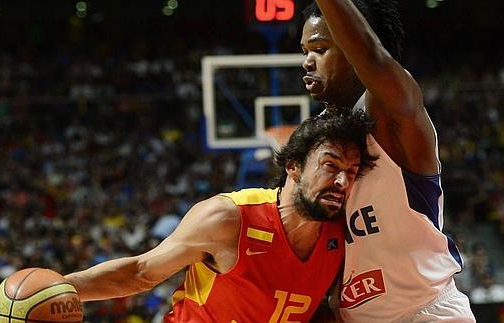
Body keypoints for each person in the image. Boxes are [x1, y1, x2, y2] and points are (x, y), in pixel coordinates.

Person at [65, 111, 376, 322]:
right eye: (331, 166)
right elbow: (140, 272)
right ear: (292, 166)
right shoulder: (229, 218)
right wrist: (57, 289)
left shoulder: (342, 235)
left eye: (351, 172)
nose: (342, 182)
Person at [300, 0, 476, 321]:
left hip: (425, 313)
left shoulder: (389, 111)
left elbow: (372, 57)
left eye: (320, 48)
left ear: (352, 48)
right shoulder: (312, 139)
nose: (308, 62)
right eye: (304, 51)